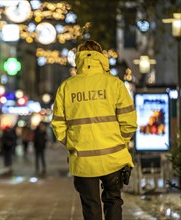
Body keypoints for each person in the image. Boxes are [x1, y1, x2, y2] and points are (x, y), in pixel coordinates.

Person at [51, 40, 137, 220]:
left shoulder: (67, 87)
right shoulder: (115, 84)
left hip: (83, 160)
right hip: (113, 157)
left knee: (91, 206)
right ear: (101, 57)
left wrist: (73, 143)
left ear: (78, 58)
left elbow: (58, 124)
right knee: (113, 200)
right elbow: (129, 121)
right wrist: (120, 142)